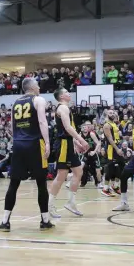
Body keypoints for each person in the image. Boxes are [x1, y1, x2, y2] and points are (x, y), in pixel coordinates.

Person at [0, 78, 55, 232]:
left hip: (18, 144)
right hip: (35, 143)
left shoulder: (15, 102)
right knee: (41, 183)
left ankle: (5, 222)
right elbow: (43, 122)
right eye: (37, 84)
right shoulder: (38, 100)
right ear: (32, 87)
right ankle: (45, 221)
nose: (39, 87)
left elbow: (11, 126)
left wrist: (16, 140)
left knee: (14, 183)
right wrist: (48, 142)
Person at [48, 88, 89, 218]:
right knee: (62, 175)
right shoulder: (62, 108)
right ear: (61, 96)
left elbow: (67, 131)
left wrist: (76, 143)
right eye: (66, 92)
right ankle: (49, 205)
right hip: (63, 145)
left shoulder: (65, 108)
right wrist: (81, 140)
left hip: (68, 143)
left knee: (78, 172)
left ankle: (71, 202)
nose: (69, 93)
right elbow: (67, 128)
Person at [102, 110, 124, 197]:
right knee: (110, 168)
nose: (113, 114)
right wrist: (117, 149)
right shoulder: (107, 125)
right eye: (110, 113)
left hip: (117, 146)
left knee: (121, 166)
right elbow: (110, 139)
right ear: (106, 115)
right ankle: (105, 188)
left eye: (113, 113)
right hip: (112, 148)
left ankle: (115, 186)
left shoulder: (114, 123)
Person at [80, 121, 102, 188]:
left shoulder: (92, 134)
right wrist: (80, 151)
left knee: (97, 169)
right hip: (86, 154)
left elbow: (98, 143)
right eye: (83, 127)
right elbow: (75, 142)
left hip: (93, 153)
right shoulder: (80, 134)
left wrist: (95, 151)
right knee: (80, 168)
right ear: (81, 128)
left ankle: (99, 183)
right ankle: (74, 182)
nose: (85, 128)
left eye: (86, 127)